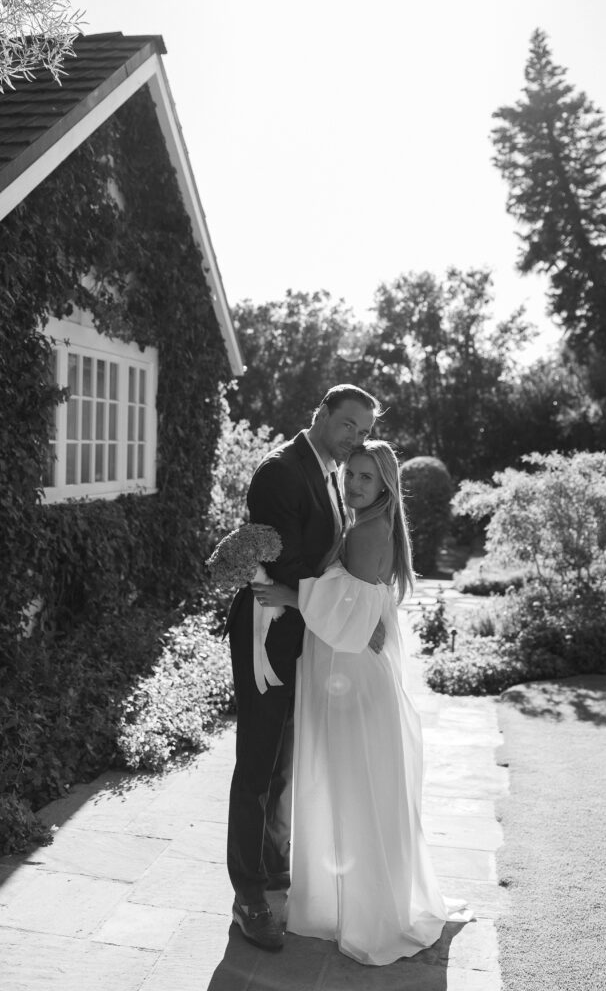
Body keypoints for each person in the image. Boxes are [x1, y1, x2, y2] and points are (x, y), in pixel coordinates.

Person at [253, 440, 471, 965]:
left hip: (352, 678)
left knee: (356, 794)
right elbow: (356, 602)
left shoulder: (370, 531)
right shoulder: (363, 525)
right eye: (350, 475)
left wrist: (291, 596)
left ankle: (373, 916)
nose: (353, 485)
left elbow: (351, 607)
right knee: (352, 791)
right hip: (344, 670)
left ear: (385, 487)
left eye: (365, 479)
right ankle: (353, 902)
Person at [225, 384, 381, 951]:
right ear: (320, 414)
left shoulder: (330, 473)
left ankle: (273, 873)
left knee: (283, 765)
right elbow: (285, 559)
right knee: (257, 765)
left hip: (305, 634)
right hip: (268, 632)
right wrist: (338, 601)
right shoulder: (281, 471)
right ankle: (248, 897)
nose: (355, 439)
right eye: (348, 425)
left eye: (364, 431)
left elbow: (325, 557)